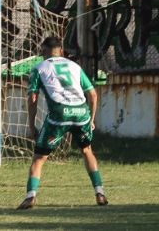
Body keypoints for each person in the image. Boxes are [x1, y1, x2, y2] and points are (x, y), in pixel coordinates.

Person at [17, 37, 108, 209]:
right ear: (61, 49)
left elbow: (32, 98)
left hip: (59, 114)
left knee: (39, 158)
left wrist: (31, 124)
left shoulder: (39, 68)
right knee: (87, 150)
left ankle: (30, 197)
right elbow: (93, 95)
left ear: (44, 50)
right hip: (81, 113)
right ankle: (100, 193)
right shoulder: (75, 66)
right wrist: (91, 119)